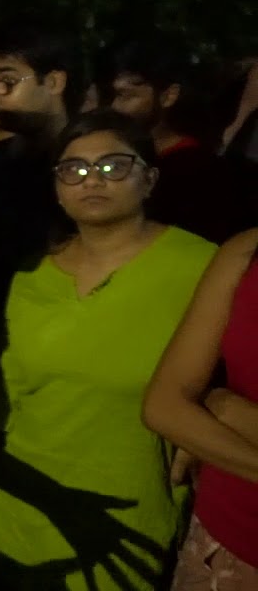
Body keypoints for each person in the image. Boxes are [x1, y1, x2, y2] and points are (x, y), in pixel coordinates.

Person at [0, 110, 214, 589]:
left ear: (150, 178)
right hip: (22, 510)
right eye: (74, 170)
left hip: (126, 523)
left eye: (113, 166)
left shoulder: (202, 268)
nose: (92, 181)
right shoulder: (31, 274)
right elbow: (1, 400)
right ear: (57, 188)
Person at [143, 227, 258, 590]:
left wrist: (224, 412)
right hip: (227, 539)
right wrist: (219, 404)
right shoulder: (246, 250)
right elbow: (164, 406)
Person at [107, 40, 253, 243]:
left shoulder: (197, 172)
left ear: (169, 96)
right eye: (115, 95)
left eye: (128, 95)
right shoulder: (124, 157)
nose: (116, 107)